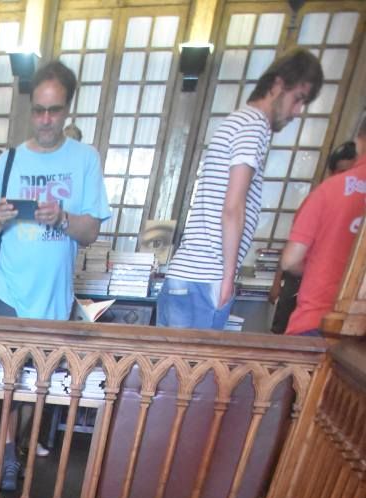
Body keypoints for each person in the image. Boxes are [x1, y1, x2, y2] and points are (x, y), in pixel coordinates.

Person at [0, 60, 109, 489]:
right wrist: (0, 218)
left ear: (67, 109)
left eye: (54, 111)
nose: (46, 120)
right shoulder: (9, 161)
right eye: (38, 110)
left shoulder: (85, 159)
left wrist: (63, 218)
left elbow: (90, 232)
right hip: (10, 292)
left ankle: (22, 447)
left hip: (54, 298)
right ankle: (7, 457)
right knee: (7, 384)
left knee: (40, 389)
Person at [157, 49, 324, 330]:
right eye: (298, 99)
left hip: (183, 273)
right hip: (205, 278)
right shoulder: (254, 126)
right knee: (196, 372)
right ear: (278, 85)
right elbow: (233, 207)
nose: (297, 112)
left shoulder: (235, 120)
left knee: (168, 371)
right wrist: (228, 277)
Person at [278, 112, 366, 337]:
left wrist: (320, 267)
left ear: (358, 140)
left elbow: (290, 261)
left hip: (316, 318)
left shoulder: (329, 191)